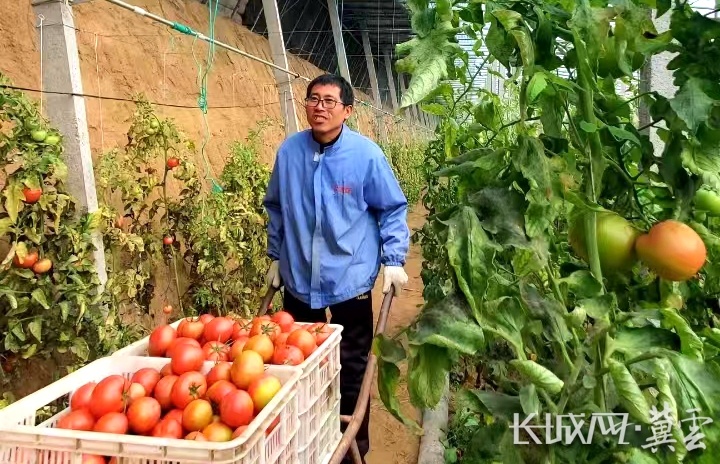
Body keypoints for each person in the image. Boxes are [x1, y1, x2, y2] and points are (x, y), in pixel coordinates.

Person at [262, 73, 410, 463]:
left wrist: (393, 259)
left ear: (347, 110)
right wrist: (276, 256)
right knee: (296, 364)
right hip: (298, 277)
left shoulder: (366, 156)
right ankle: (305, 443)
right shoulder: (289, 153)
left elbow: (391, 208)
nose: (320, 107)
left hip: (349, 280)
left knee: (352, 366)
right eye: (313, 99)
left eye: (329, 101)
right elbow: (275, 206)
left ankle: (350, 450)